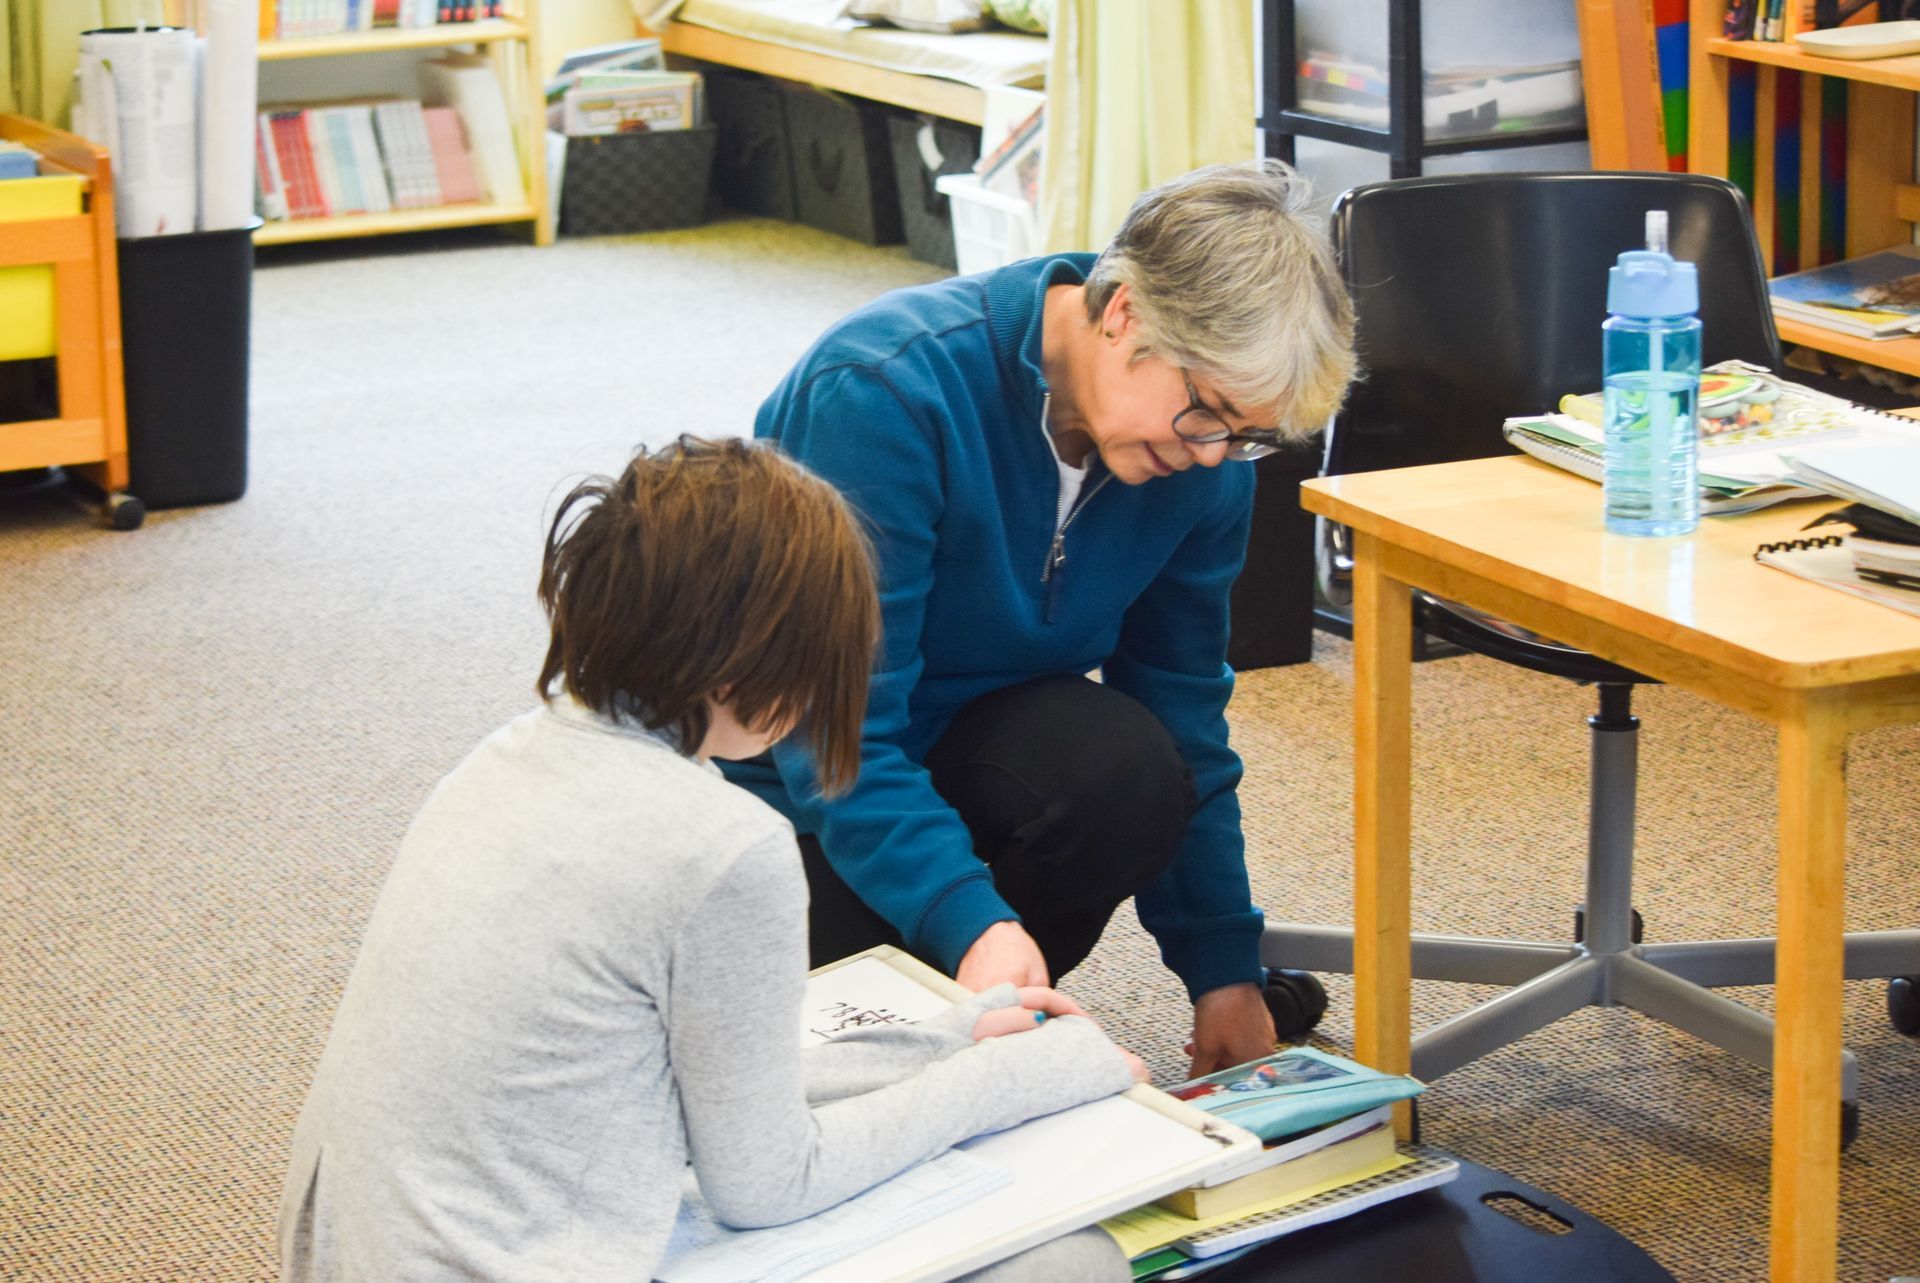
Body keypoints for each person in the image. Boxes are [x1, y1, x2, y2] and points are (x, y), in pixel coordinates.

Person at [278, 437, 1143, 1283]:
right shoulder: (721, 847)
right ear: (746, 662)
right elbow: (769, 1184)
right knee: (1075, 1263)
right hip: (515, 1254)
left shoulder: (501, 761)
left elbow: (678, 1089)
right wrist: (1017, 1078)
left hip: (372, 1248)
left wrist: (941, 1042)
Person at [728, 159, 1358, 1078]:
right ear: (1125, 313)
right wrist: (969, 917)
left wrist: (1224, 971)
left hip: (964, 759)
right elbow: (838, 737)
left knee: (1131, 769)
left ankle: (975, 994)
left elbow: (1185, 721)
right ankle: (960, 982)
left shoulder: (1205, 469)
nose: (1216, 454)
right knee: (807, 1065)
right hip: (782, 793)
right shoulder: (883, 393)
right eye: (1207, 414)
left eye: (1247, 436)